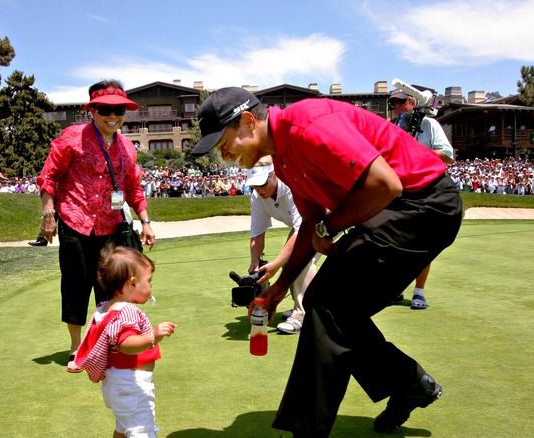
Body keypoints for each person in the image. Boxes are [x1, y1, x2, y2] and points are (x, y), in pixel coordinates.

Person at [192, 87, 462, 437]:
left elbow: (385, 185)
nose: (222, 153)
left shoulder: (309, 126)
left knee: (329, 304)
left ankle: (312, 428)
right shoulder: (284, 156)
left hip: (423, 205)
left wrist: (328, 226)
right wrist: (279, 288)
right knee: (332, 309)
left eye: (222, 141)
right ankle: (409, 382)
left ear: (247, 122)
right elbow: (309, 226)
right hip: (398, 208)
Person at [37, 79, 156, 373]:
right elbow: (48, 177)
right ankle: (77, 348)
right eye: (104, 109)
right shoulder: (71, 138)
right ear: (92, 111)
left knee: (110, 288)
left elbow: (133, 188)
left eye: (119, 110)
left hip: (111, 226)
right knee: (76, 285)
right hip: (75, 222)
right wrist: (48, 213)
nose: (112, 116)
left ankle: (106, 344)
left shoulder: (128, 148)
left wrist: (146, 221)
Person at [74, 246, 176, 438]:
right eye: (149, 281)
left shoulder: (106, 308)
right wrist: (153, 336)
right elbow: (126, 343)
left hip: (116, 383)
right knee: (141, 431)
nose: (151, 286)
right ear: (132, 283)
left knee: (123, 426)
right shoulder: (127, 311)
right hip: (132, 385)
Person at [389, 89, 455, 310]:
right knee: (396, 242)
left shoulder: (429, 124)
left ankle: (419, 292)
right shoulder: (394, 127)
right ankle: (396, 285)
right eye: (391, 103)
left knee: (422, 244)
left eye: (399, 101)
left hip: (427, 191)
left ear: (411, 101)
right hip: (400, 191)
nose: (395, 105)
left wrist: (416, 152)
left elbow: (447, 154)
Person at [245, 155, 319, 334]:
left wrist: (276, 265)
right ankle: (298, 307)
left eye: (262, 183)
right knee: (290, 259)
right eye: (254, 185)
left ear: (274, 175)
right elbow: (257, 235)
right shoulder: (257, 198)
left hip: (328, 216)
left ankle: (304, 314)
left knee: (302, 258)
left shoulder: (292, 185)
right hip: (304, 225)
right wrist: (255, 261)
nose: (259, 190)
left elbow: (301, 231)